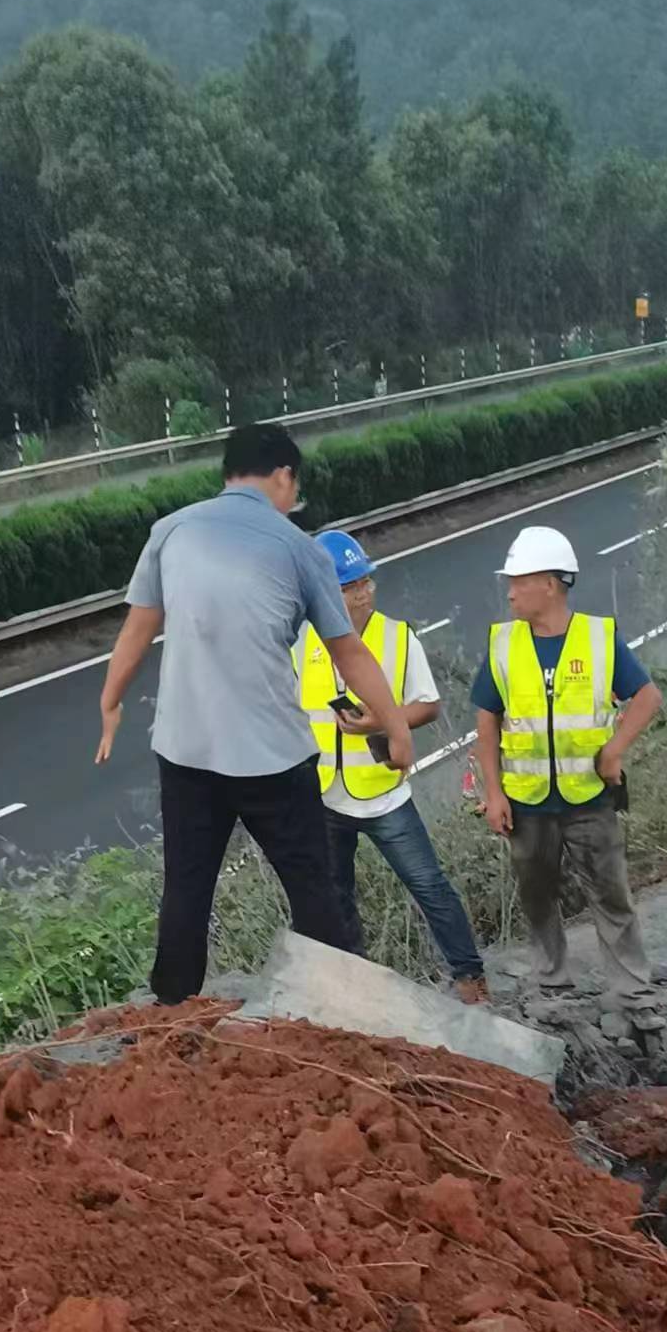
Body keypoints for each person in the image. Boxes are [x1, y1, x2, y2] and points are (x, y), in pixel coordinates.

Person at [96, 421, 410, 1004]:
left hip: (186, 753)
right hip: (271, 757)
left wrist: (110, 701)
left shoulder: (171, 531)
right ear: (283, 477)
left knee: (187, 889)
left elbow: (138, 628)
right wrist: (394, 725)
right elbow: (349, 651)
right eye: (296, 488)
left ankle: (172, 1009)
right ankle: (341, 1009)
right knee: (313, 887)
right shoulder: (299, 548)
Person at [472, 526, 664, 1019]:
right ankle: (553, 985)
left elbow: (646, 697)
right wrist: (493, 793)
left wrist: (615, 750)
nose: (509, 591)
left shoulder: (598, 638)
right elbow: (487, 721)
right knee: (537, 895)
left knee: (610, 895)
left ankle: (632, 992)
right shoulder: (502, 644)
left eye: (518, 581)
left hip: (589, 798)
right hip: (527, 801)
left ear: (550, 584)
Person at [295, 530, 489, 1004]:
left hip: (382, 790)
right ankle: (354, 982)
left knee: (428, 885)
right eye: (349, 585)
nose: (362, 593)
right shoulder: (300, 641)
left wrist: (381, 722)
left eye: (365, 582)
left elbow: (428, 705)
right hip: (323, 792)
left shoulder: (397, 638)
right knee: (334, 895)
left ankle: (470, 978)